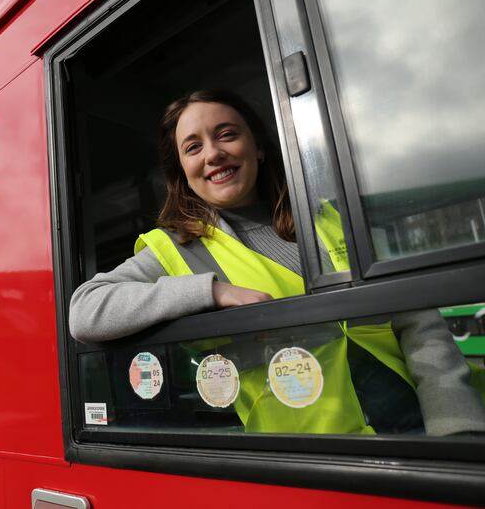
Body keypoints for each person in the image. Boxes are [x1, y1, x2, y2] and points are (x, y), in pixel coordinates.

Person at [69, 89, 485, 436]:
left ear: (259, 147)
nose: (213, 153)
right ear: (183, 171)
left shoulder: (330, 219)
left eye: (226, 134)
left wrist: (458, 430)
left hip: (417, 435)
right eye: (193, 147)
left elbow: (419, 325)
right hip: (306, 463)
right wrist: (209, 292)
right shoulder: (175, 249)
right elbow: (86, 311)